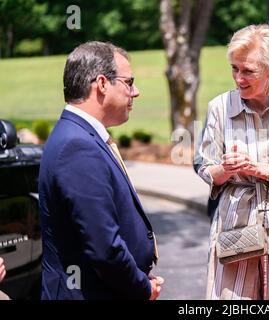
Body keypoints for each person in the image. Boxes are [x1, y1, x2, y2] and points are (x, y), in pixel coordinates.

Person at [39, 41, 163, 300]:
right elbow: (104, 246)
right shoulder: (77, 146)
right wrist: (142, 287)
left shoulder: (78, 136)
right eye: (129, 82)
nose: (136, 91)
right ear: (102, 84)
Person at [197, 24, 269, 300]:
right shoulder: (219, 107)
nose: (239, 78)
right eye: (235, 69)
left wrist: (263, 170)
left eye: (248, 71)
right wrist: (226, 168)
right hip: (237, 227)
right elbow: (206, 169)